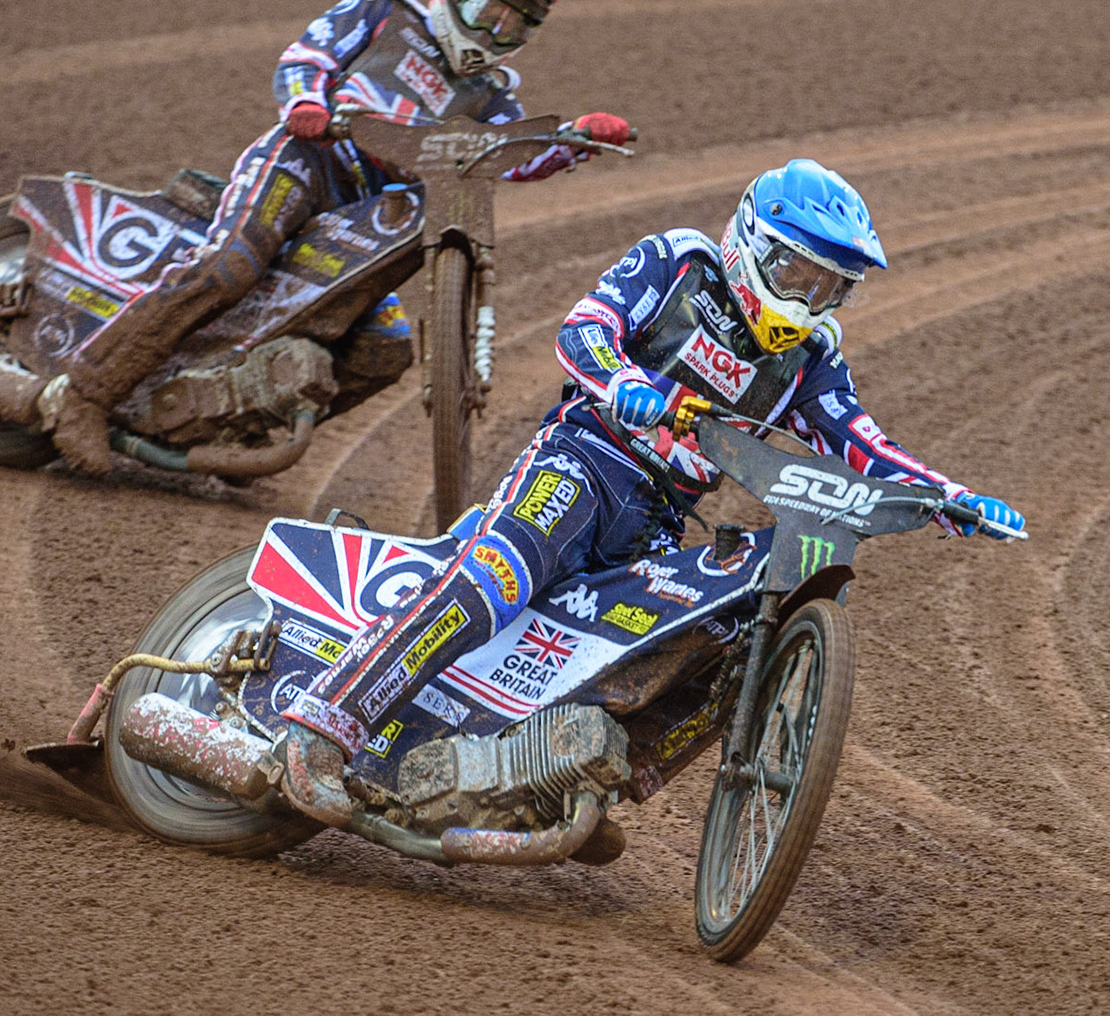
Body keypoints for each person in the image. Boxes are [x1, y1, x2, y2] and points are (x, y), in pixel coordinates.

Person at [267, 158, 1026, 823]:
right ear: (755, 246)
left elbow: (863, 443)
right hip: (584, 461)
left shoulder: (810, 359)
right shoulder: (680, 262)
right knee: (500, 570)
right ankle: (322, 724)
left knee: (705, 640)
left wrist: (951, 498)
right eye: (801, 274)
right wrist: (627, 383)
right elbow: (583, 331)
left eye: (832, 288)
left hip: (659, 518)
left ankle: (562, 776)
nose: (810, 301)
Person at [40, 0, 633, 474]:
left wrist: (575, 138)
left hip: (369, 215)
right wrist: (306, 104)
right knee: (228, 267)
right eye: (484, 10)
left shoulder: (493, 95)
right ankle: (85, 396)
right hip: (309, 161)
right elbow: (309, 55)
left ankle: (239, 425)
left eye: (513, 24)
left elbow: (513, 155)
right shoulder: (386, 12)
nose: (492, 31)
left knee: (383, 350)